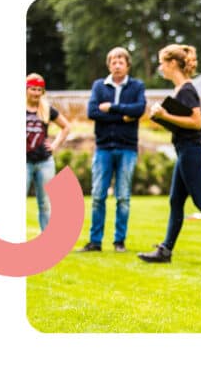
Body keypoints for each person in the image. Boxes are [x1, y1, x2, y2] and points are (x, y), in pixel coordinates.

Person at [137, 44, 201, 266]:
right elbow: (197, 123)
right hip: (187, 150)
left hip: (191, 151)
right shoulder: (181, 90)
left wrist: (164, 115)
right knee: (176, 201)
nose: (160, 68)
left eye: (162, 63)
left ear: (173, 63)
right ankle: (165, 250)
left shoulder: (186, 90)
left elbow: (195, 121)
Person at [79, 47, 146, 253]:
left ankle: (119, 242)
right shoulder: (99, 86)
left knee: (123, 197)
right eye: (113, 62)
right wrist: (124, 116)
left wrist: (111, 108)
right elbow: (92, 112)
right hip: (103, 148)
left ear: (127, 65)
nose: (117, 66)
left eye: (121, 62)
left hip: (127, 148)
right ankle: (95, 241)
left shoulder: (137, 86)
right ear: (109, 65)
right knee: (98, 196)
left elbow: (139, 109)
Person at [26, 73, 70, 231]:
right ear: (26, 89)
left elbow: (66, 127)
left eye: (39, 90)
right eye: (33, 89)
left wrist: (55, 145)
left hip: (44, 162)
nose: (36, 93)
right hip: (24, 162)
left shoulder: (47, 109)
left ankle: (47, 239)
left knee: (44, 203)